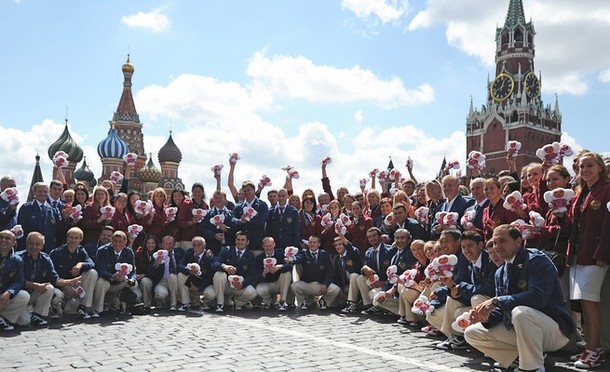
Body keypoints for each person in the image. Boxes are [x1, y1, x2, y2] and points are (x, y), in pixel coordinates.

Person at [465, 225, 574, 372]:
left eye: (503, 241)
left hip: (555, 329)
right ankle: (525, 357)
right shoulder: (500, 272)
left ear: (519, 241)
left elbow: (537, 298)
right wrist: (485, 317)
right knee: (472, 333)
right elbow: (504, 311)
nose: (497, 246)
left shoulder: (536, 260)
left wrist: (496, 301)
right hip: (525, 327)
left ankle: (532, 367)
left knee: (521, 312)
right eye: (495, 242)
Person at [567, 151, 610, 369]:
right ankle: (592, 347)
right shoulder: (582, 191)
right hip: (578, 253)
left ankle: (594, 350)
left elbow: (607, 224)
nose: (585, 170)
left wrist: (603, 252)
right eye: (582, 167)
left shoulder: (606, 189)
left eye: (590, 165)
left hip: (594, 255)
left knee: (590, 302)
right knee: (583, 304)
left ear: (600, 167)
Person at [434, 231, 496, 351]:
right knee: (453, 301)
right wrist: (451, 286)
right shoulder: (470, 264)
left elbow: (489, 288)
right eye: (463, 247)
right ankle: (455, 336)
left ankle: (488, 339)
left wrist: (462, 287)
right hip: (476, 304)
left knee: (476, 298)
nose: (466, 250)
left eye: (470, 245)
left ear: (480, 245)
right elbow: (462, 286)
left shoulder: (490, 260)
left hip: (491, 304)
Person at [18, 232, 76, 326]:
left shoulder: (46, 259)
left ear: (42, 246)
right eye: (31, 243)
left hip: (35, 292)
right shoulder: (18, 258)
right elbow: (18, 281)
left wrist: (69, 282)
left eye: (37, 244)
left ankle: (38, 315)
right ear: (26, 243)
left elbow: (55, 279)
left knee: (50, 288)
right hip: (20, 295)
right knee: (23, 322)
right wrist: (36, 285)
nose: (34, 247)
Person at [49, 227, 98, 318]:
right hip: (62, 284)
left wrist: (81, 264)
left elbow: (91, 263)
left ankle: (83, 307)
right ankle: (57, 307)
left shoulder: (81, 251)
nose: (73, 240)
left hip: (76, 284)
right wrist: (65, 286)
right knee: (61, 300)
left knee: (92, 273)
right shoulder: (56, 253)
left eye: (76, 238)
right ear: (67, 238)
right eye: (71, 237)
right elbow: (52, 275)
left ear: (81, 239)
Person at [93, 231, 138, 317]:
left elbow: (132, 271)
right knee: (101, 282)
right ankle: (98, 309)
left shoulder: (129, 252)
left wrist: (131, 280)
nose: (117, 244)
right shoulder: (102, 251)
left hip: (121, 283)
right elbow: (100, 269)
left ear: (125, 242)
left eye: (120, 241)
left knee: (134, 284)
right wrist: (112, 277)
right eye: (115, 241)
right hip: (108, 281)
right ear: (111, 241)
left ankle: (121, 305)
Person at [212, 230, 257, 313]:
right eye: (238, 239)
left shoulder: (250, 256)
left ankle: (237, 302)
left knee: (252, 293)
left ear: (248, 242)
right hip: (225, 284)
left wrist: (243, 284)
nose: (240, 242)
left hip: (238, 286)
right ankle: (220, 303)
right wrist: (224, 266)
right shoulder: (227, 250)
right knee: (219, 274)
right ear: (235, 240)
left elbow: (252, 275)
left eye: (243, 240)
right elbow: (215, 263)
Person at [290, 235, 340, 310]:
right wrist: (292, 259)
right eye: (310, 242)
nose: (312, 244)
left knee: (335, 289)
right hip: (307, 284)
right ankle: (303, 301)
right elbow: (298, 259)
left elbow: (330, 272)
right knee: (294, 286)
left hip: (321, 285)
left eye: (314, 242)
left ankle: (324, 301)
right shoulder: (304, 253)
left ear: (319, 244)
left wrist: (325, 284)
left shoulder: (324, 255)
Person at [354, 227, 395, 315]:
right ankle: (368, 304)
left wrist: (384, 283)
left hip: (386, 283)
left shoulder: (390, 250)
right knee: (360, 279)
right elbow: (365, 267)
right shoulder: (369, 252)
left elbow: (395, 271)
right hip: (375, 281)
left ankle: (378, 307)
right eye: (369, 237)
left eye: (374, 236)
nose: (372, 238)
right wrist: (364, 268)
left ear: (380, 237)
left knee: (372, 293)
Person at [16, 182, 66, 253]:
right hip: (30, 249)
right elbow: (21, 231)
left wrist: (65, 218)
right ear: (34, 193)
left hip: (49, 249)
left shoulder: (54, 210)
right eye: (40, 191)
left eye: (45, 191)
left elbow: (59, 230)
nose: (43, 194)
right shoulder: (26, 208)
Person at [177, 236, 218, 310]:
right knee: (180, 275)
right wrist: (188, 270)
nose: (196, 247)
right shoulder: (189, 252)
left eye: (199, 244)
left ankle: (205, 302)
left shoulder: (209, 257)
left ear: (204, 246)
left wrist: (199, 288)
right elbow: (180, 265)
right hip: (191, 281)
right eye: (194, 245)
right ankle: (185, 303)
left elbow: (210, 277)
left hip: (205, 283)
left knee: (211, 295)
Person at [0, 230, 29, 331]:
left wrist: (9, 293)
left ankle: (2, 319)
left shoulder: (17, 260)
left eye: (7, 238)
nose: (3, 240)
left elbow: (19, 281)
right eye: (1, 237)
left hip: (5, 297)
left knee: (24, 320)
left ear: (14, 243)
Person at [146, 235, 185, 310]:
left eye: (170, 243)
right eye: (166, 243)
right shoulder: (157, 254)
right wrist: (156, 264)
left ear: (174, 244)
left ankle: (173, 304)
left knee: (172, 277)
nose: (168, 246)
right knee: (160, 294)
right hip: (162, 281)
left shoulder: (180, 252)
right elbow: (150, 273)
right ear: (162, 244)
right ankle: (164, 300)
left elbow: (188, 257)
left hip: (174, 280)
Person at [230, 181, 269, 254]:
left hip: (257, 245)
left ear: (254, 191)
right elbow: (232, 220)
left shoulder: (262, 205)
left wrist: (246, 223)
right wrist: (240, 221)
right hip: (241, 246)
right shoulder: (238, 207)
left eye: (249, 190)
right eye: (244, 191)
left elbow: (261, 221)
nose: (246, 192)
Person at [255, 237, 292, 311]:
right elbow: (257, 277)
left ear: (274, 244)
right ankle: (268, 301)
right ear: (262, 246)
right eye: (266, 246)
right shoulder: (259, 258)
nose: (268, 248)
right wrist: (264, 273)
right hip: (267, 284)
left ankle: (282, 301)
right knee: (259, 289)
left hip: (279, 283)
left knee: (287, 274)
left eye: (270, 245)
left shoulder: (281, 253)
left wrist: (279, 267)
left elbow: (289, 266)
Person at [199, 190, 234, 256]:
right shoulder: (208, 214)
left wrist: (227, 229)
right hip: (213, 248)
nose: (218, 200)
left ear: (225, 199)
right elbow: (202, 229)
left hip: (228, 248)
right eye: (216, 198)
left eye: (220, 197)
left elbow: (235, 229)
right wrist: (214, 235)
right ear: (213, 200)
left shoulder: (231, 214)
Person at [333, 235, 363, 310]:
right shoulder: (337, 259)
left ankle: (352, 303)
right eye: (336, 245)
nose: (338, 247)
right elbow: (336, 276)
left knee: (353, 275)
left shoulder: (353, 252)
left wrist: (341, 234)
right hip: (346, 286)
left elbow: (350, 248)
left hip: (358, 283)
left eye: (340, 244)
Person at [176, 183, 209, 249]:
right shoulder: (186, 204)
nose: (197, 194)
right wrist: (191, 222)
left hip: (201, 240)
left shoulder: (205, 205)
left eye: (199, 192)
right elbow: (179, 223)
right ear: (192, 192)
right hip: (188, 240)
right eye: (195, 192)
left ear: (203, 193)